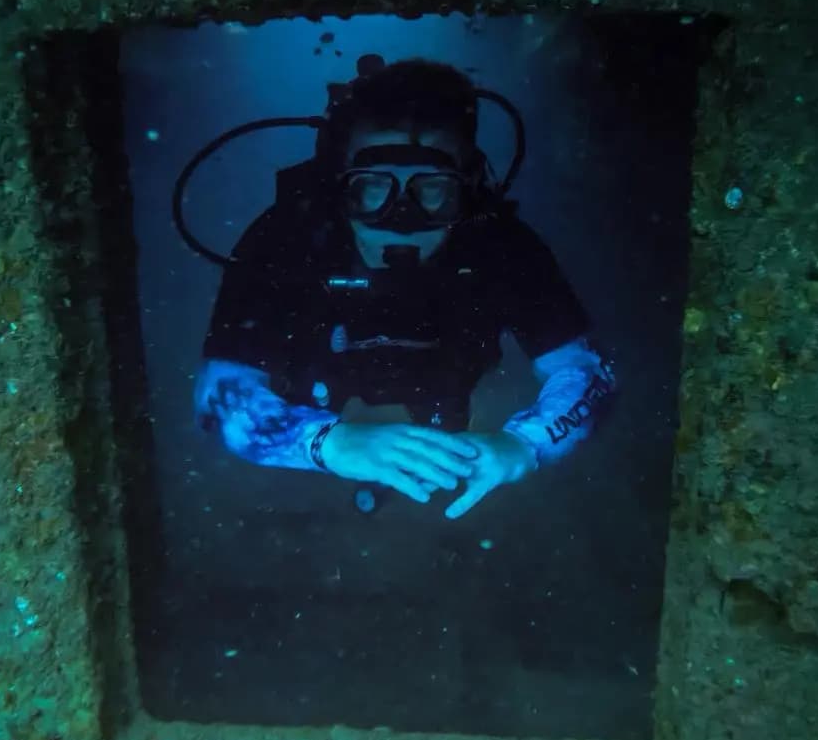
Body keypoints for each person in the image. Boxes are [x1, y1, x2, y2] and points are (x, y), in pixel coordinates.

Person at [193, 57, 616, 520]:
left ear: (469, 186)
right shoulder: (286, 239)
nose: (402, 216)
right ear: (337, 186)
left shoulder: (499, 244)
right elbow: (220, 392)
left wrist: (522, 446)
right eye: (371, 187)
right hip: (319, 386)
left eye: (432, 188)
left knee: (444, 425)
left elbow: (586, 370)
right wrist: (325, 441)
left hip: (441, 381)